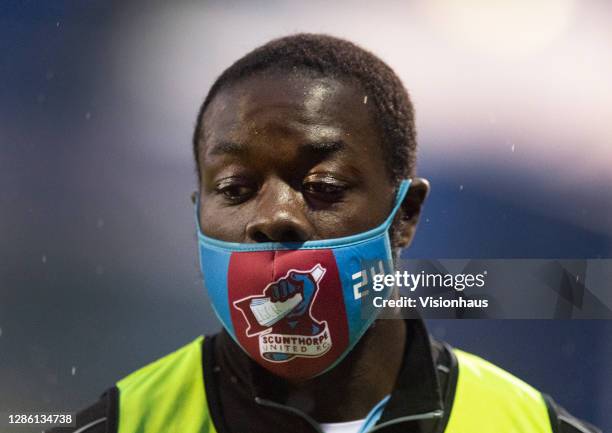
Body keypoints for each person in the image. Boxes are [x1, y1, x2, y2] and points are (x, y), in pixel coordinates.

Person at [49, 34, 600, 433]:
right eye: (237, 188)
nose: (274, 217)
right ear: (199, 216)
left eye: (323, 184)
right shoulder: (120, 423)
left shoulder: (528, 425)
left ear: (405, 215)